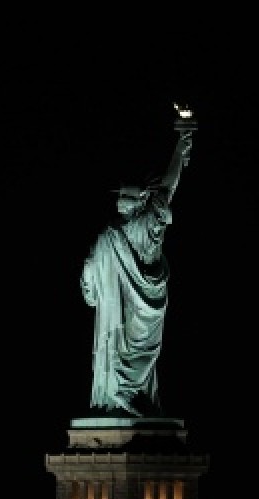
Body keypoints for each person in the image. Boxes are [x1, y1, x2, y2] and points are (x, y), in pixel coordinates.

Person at [80, 109, 195, 418]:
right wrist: (183, 141)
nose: (120, 200)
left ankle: (120, 394)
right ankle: (129, 395)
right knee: (137, 350)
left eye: (123, 197)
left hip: (124, 314)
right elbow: (168, 187)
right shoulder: (135, 227)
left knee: (124, 346)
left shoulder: (108, 237)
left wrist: (183, 141)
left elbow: (88, 285)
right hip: (144, 310)